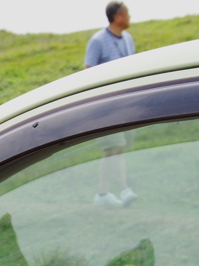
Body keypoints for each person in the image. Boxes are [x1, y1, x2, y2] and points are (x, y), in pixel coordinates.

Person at [84, 3, 137, 208]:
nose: (130, 16)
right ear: (118, 16)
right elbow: (88, 73)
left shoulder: (128, 39)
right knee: (116, 146)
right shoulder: (98, 41)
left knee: (113, 150)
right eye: (127, 13)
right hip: (106, 107)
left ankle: (103, 194)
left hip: (125, 105)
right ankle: (124, 190)